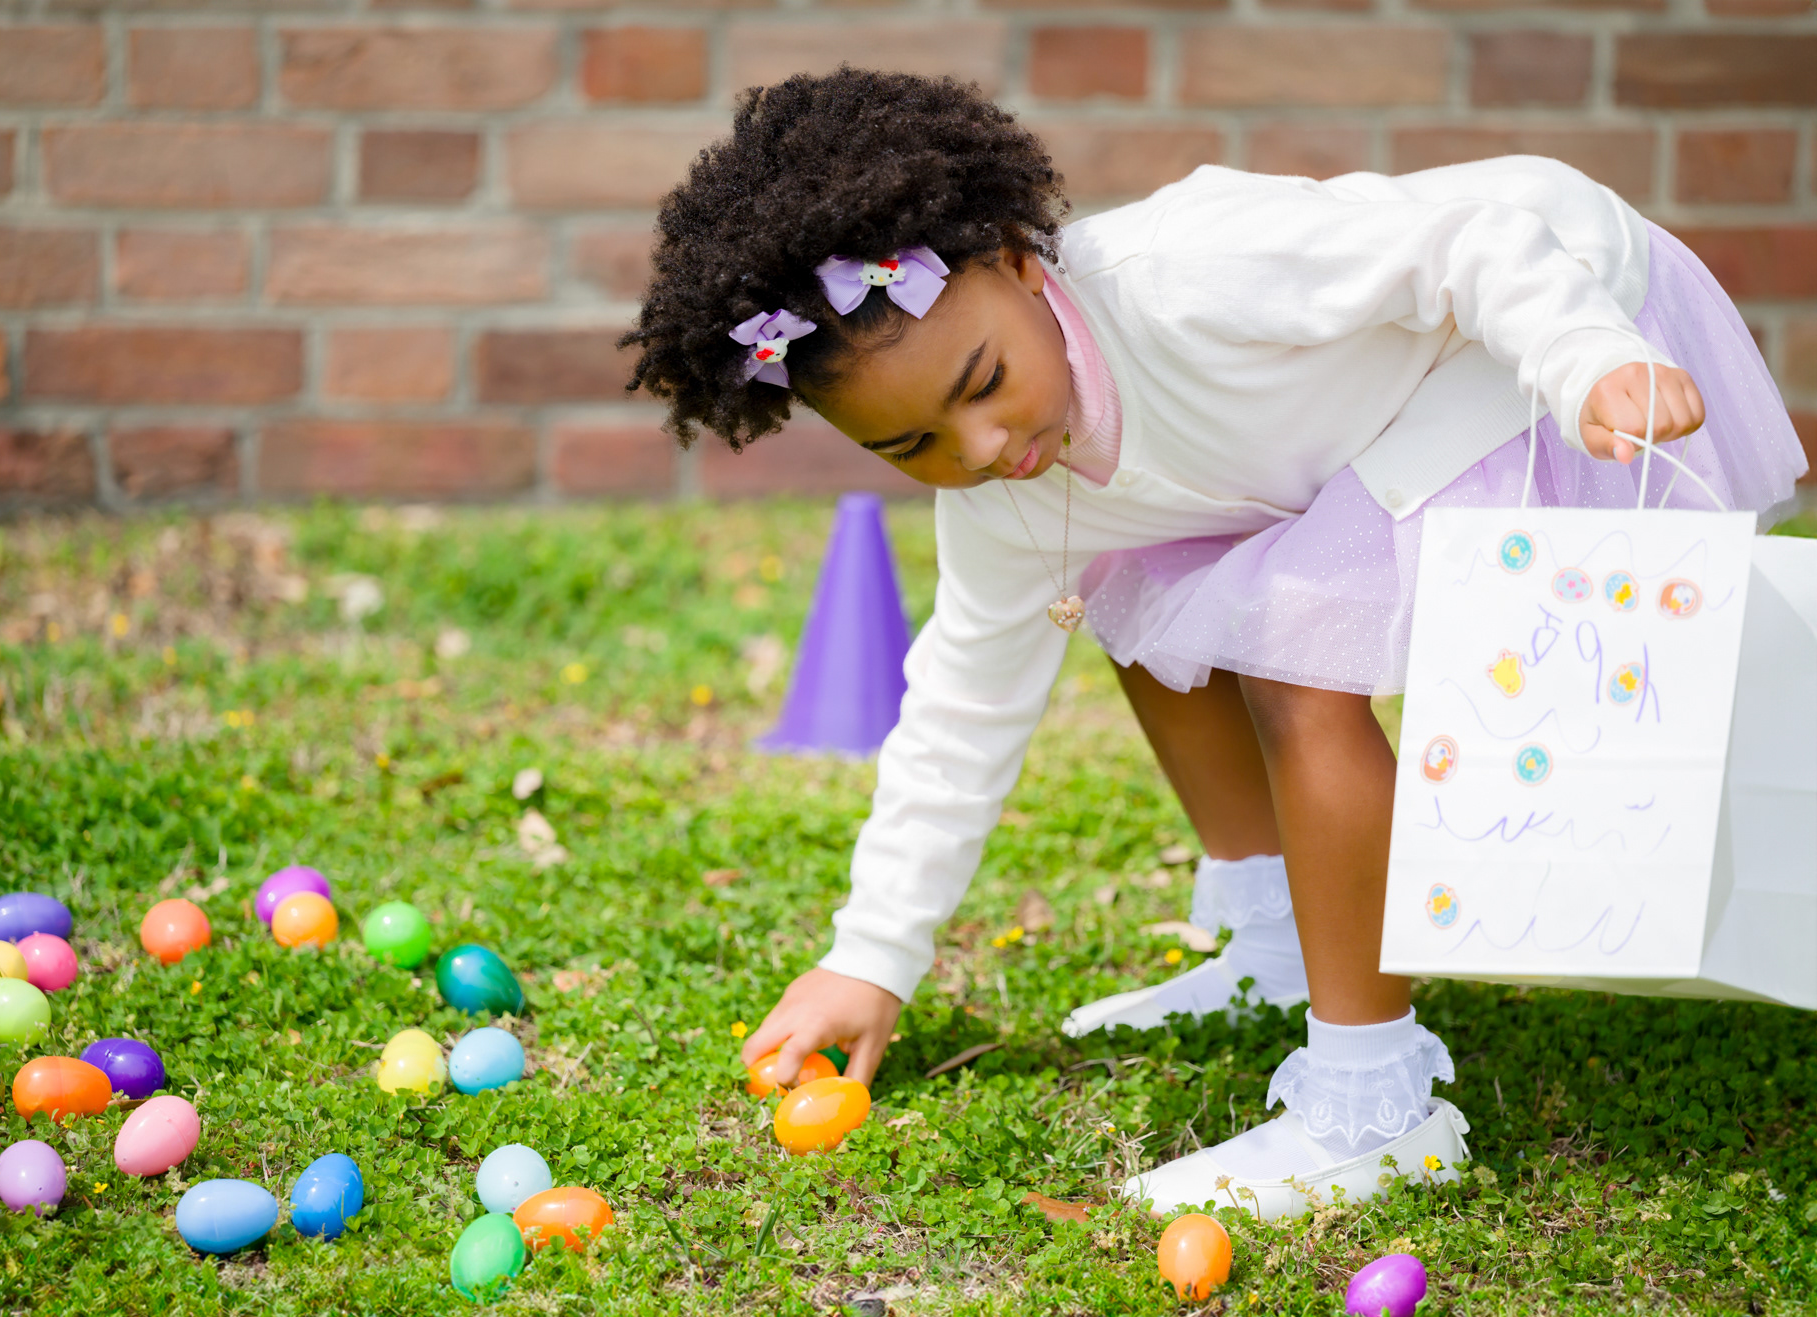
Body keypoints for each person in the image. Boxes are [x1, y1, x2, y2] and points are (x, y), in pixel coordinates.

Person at [624, 69, 1807, 1215]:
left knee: (1294, 652)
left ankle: (1375, 1107)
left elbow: (1472, 245)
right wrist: (871, 956)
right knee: (1140, 597)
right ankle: (1278, 939)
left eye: (983, 383)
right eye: (911, 448)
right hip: (1371, 413)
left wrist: (1586, 357)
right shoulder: (1008, 497)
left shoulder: (1190, 273)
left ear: (1021, 265)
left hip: (1544, 331)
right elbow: (960, 711)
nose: (979, 450)